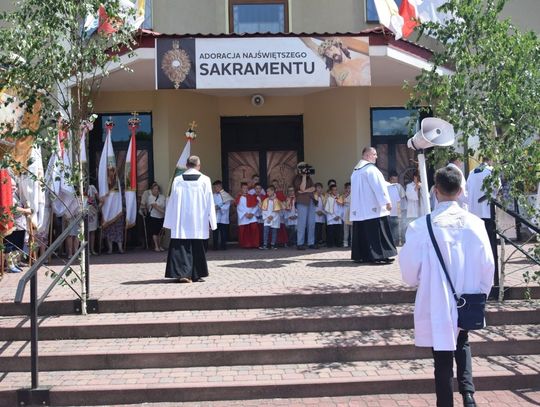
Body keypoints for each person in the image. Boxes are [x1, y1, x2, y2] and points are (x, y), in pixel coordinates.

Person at [399, 166, 494, 407]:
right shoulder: (475, 224)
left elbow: (409, 273)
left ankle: (446, 402)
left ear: (435, 190)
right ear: (462, 190)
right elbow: (488, 266)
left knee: (441, 356)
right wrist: (480, 293)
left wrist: (422, 281)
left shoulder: (421, 226)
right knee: (462, 340)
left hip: (436, 298)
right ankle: (469, 396)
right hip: (467, 296)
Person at [164, 156, 217, 283]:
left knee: (182, 246)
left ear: (187, 166)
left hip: (181, 219)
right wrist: (212, 221)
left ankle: (183, 274)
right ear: (198, 166)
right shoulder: (205, 180)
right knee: (198, 246)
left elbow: (172, 200)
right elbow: (210, 201)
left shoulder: (177, 180)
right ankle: (196, 274)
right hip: (199, 219)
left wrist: (169, 221)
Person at [350, 147, 397, 264]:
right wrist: (386, 201)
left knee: (362, 232)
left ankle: (362, 255)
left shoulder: (356, 171)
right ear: (366, 156)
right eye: (374, 154)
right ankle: (379, 255)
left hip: (361, 209)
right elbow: (378, 186)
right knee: (377, 231)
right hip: (373, 208)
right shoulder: (371, 169)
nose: (376, 157)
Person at [466, 157, 498, 259]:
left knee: (477, 241)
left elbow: (467, 189)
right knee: (489, 241)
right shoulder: (491, 171)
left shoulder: (472, 172)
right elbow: (497, 187)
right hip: (488, 211)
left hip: (474, 212)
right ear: (490, 160)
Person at [3, 171, 32, 273]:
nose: (14, 188)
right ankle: (10, 265)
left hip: (18, 222)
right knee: (9, 246)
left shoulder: (15, 195)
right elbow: (12, 207)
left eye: (15, 186)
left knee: (16, 246)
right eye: (12, 186)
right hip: (11, 224)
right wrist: (25, 211)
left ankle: (15, 263)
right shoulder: (7, 196)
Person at [292, 162, 316, 250]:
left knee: (311, 223)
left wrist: (304, 191)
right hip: (302, 202)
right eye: (304, 168)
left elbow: (313, 188)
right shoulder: (296, 178)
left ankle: (311, 242)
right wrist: (304, 176)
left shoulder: (310, 178)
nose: (306, 170)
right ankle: (300, 243)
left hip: (311, 201)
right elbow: (301, 187)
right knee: (301, 223)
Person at [236, 182, 260, 248]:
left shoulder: (252, 197)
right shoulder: (239, 198)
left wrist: (252, 213)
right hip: (244, 217)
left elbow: (256, 206)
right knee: (244, 231)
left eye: (247, 188)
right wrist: (245, 214)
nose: (245, 190)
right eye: (244, 188)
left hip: (252, 216)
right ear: (241, 189)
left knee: (254, 228)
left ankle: (254, 244)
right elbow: (239, 207)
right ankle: (246, 244)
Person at [212, 180, 233, 250]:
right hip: (215, 216)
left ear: (220, 186)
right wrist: (214, 207)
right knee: (215, 232)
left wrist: (219, 207)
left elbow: (227, 205)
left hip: (223, 217)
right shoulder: (213, 195)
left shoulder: (226, 195)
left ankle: (223, 246)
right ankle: (215, 246)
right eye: (214, 188)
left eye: (216, 187)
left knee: (223, 232)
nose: (215, 189)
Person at [259, 185, 282, 250]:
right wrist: (267, 217)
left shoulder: (276, 200)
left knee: (274, 231)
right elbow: (263, 210)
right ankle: (265, 244)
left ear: (273, 191)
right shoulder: (265, 200)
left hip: (274, 218)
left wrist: (272, 216)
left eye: (268, 191)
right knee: (266, 231)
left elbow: (277, 210)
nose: (267, 192)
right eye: (267, 191)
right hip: (267, 218)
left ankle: (273, 244)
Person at [145, 182, 166, 252]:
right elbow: (155, 206)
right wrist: (165, 212)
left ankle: (160, 246)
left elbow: (165, 205)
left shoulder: (162, 197)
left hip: (162, 217)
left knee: (161, 232)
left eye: (157, 189)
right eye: (154, 189)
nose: (155, 190)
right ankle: (156, 246)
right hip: (154, 216)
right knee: (155, 232)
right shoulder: (150, 197)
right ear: (151, 190)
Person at [387, 171, 405, 246]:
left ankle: (398, 241)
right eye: (394, 179)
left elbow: (403, 196)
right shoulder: (386, 186)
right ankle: (390, 242)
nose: (395, 181)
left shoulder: (399, 186)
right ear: (390, 179)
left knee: (398, 226)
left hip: (397, 209)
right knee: (389, 227)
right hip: (388, 210)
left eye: (396, 179)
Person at [405, 171, 425, 236]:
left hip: (421, 210)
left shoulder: (423, 186)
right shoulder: (409, 186)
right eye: (418, 177)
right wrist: (416, 188)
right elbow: (409, 196)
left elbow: (427, 197)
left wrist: (421, 188)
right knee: (413, 228)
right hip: (413, 210)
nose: (419, 179)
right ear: (415, 177)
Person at [86, 183, 99, 255]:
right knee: (86, 231)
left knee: (93, 231)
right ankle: (87, 250)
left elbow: (98, 197)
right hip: (85, 210)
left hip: (93, 210)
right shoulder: (79, 186)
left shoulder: (92, 187)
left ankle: (92, 249)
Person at [342, 182, 352, 247]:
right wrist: (344, 196)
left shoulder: (354, 195)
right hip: (345, 213)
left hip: (352, 213)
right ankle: (345, 242)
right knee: (346, 229)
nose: (349, 189)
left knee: (352, 229)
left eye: (350, 188)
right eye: (348, 188)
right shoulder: (343, 195)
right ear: (345, 189)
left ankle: (352, 242)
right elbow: (340, 203)